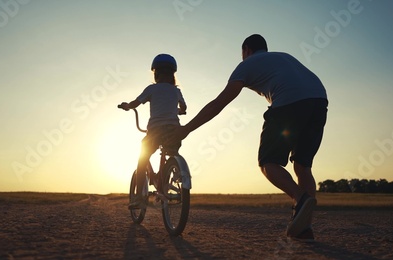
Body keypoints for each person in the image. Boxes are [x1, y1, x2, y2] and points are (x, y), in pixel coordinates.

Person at [169, 34, 328, 240]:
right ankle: (304, 227)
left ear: (246, 50)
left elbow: (219, 103)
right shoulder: (284, 57)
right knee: (302, 166)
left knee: (267, 163)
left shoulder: (246, 65)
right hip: (319, 101)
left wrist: (187, 128)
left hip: (289, 103)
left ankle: (300, 198)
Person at [118, 54, 187, 209]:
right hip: (174, 132)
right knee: (171, 152)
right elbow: (184, 108)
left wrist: (127, 106)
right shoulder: (176, 91)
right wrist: (178, 111)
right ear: (172, 75)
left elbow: (136, 103)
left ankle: (138, 199)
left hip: (155, 131)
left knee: (143, 158)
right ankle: (169, 176)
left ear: (155, 74)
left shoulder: (151, 89)